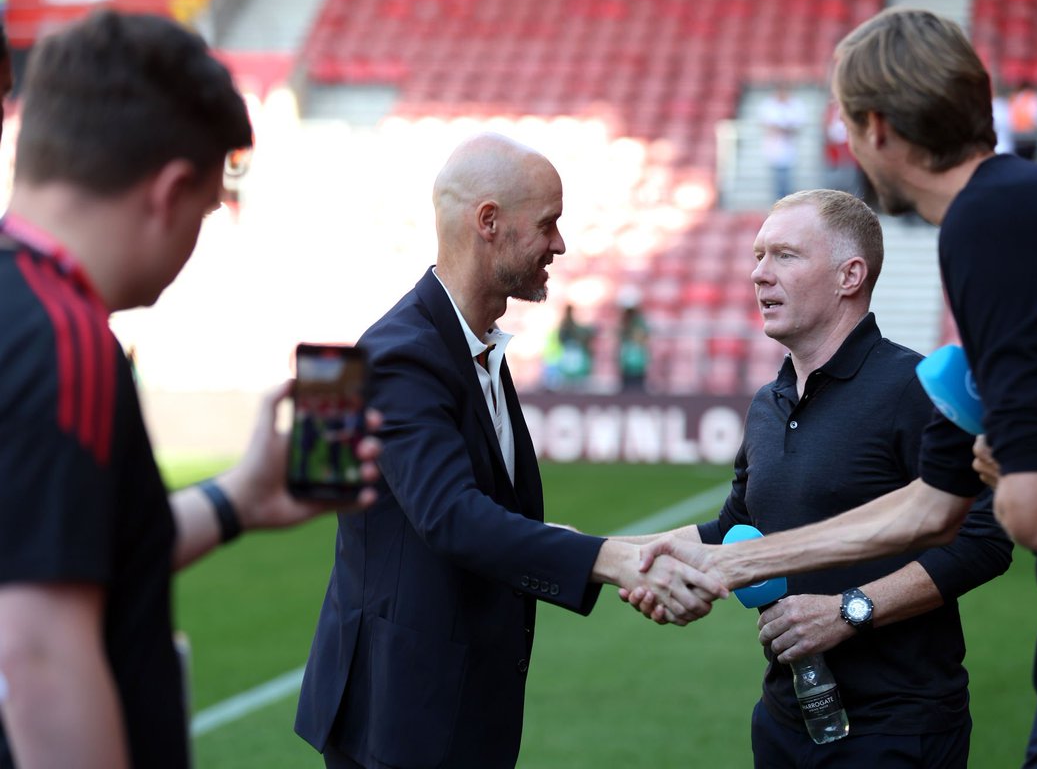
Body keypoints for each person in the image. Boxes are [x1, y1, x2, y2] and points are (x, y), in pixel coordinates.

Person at [634, 7, 1037, 768]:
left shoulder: (989, 222)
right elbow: (933, 506)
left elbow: (1030, 516)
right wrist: (725, 560)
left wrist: (1011, 470)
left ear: (875, 129)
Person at [0, 11, 384, 769]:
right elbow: (39, 652)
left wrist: (237, 498)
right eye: (209, 208)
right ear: (169, 192)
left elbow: (62, 551)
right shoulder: (65, 341)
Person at [294, 132, 726, 769]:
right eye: (548, 224)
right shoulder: (398, 354)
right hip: (402, 717)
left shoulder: (471, 347)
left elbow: (491, 515)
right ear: (488, 223)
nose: (560, 244)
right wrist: (613, 562)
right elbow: (453, 518)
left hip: (454, 703)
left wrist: (624, 552)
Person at [623, 190, 1011, 767]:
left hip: (897, 729)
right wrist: (607, 558)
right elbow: (735, 528)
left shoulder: (913, 387)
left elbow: (985, 536)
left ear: (849, 275)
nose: (758, 274)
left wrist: (851, 610)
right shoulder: (766, 402)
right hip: (784, 721)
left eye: (784, 256)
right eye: (758, 256)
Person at [759, 84, 807, 202]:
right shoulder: (768, 105)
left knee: (787, 181)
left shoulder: (795, 105)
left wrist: (782, 128)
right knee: (778, 182)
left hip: (789, 149)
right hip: (774, 149)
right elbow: (765, 125)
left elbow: (798, 126)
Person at [1008, 80, 1037, 161]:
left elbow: (1009, 118)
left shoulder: (1015, 97)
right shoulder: (1034, 98)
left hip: (1018, 137)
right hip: (1030, 137)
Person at [617, 301, 649, 392]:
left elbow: (642, 339)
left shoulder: (639, 324)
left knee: (636, 388)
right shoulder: (624, 326)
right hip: (627, 365)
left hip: (637, 365)